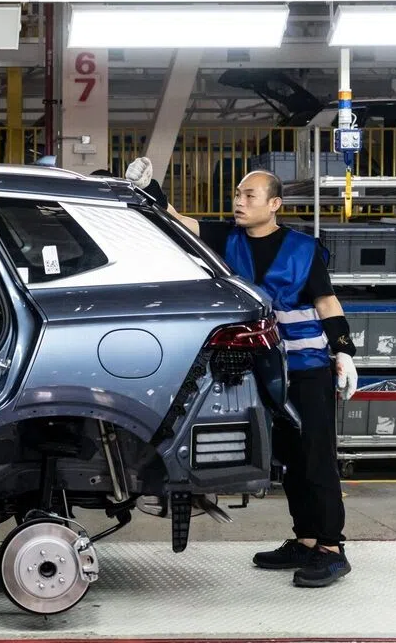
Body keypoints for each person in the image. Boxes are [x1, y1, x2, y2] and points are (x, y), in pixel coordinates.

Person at [125, 156, 357, 588]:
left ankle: (331, 548)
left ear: (275, 205)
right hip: (262, 369)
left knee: (316, 456)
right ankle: (305, 540)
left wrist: (344, 351)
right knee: (288, 457)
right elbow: (178, 222)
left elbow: (327, 303)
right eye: (236, 195)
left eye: (249, 195)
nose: (239, 202)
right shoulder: (227, 238)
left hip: (307, 367)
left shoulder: (303, 249)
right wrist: (149, 186)